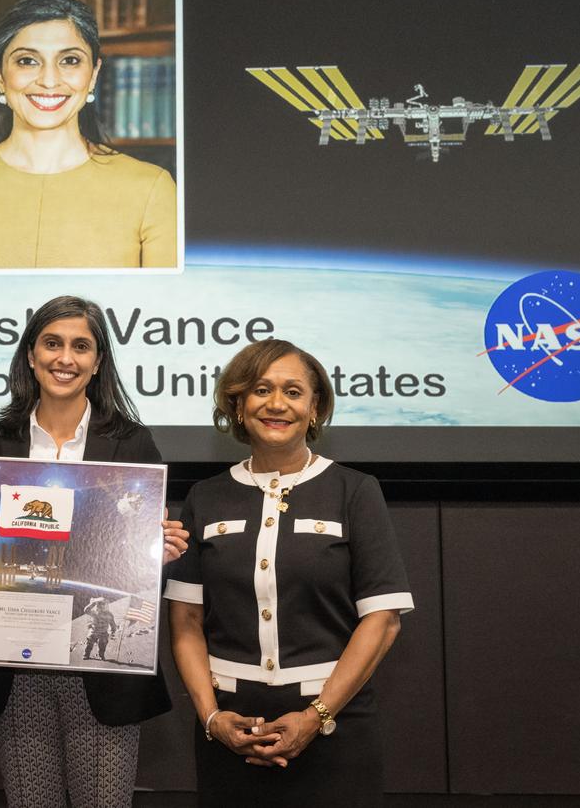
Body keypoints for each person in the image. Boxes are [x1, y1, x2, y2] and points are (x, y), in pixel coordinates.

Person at [0, 294, 189, 808]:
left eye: (81, 346)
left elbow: (134, 562)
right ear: (30, 354)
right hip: (15, 670)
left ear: (98, 362)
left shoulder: (133, 445)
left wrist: (157, 553)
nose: (65, 358)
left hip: (100, 678)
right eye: (52, 343)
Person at [165, 339, 413, 807]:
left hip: (336, 728)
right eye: (261, 389)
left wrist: (315, 717)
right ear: (238, 405)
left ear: (315, 408)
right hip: (229, 731)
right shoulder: (204, 497)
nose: (276, 404)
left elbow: (382, 622)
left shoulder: (356, 491)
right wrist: (212, 718)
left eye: (294, 392)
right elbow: (185, 623)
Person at [0, 0, 178, 269]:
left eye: (70, 61)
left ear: (94, 74)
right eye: (28, 61)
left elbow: (165, 307)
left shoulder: (151, 188)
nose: (49, 80)